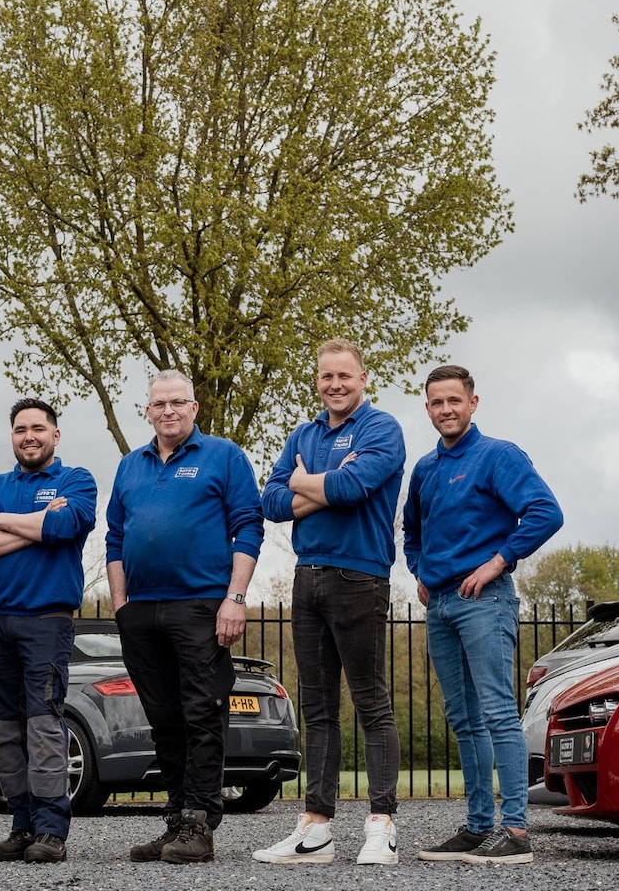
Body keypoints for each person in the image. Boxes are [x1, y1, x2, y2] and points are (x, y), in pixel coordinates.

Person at [403, 365, 562, 866]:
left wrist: (499, 561)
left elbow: (546, 512)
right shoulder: (425, 469)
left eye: (454, 400)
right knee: (464, 721)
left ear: (473, 403)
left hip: (485, 602)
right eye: (436, 402)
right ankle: (477, 828)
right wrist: (420, 571)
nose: (445, 409)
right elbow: (411, 532)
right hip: (441, 606)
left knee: (496, 713)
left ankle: (515, 831)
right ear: (427, 408)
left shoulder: (499, 455)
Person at [255, 338, 405, 866]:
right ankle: (315, 829)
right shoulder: (304, 434)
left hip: (359, 577)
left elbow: (355, 487)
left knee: (371, 704)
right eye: (326, 376)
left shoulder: (382, 428)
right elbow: (271, 501)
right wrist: (317, 486)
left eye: (345, 375)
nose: (335, 384)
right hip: (307, 576)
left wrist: (303, 482)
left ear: (363, 378)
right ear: (317, 381)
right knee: (317, 708)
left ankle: (382, 825)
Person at [106, 370, 264, 865]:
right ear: (147, 411)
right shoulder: (130, 466)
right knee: (164, 719)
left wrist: (235, 598)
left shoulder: (224, 456)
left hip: (201, 606)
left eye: (178, 402)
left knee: (201, 713)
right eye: (159, 404)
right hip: (141, 611)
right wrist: (120, 604)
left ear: (194, 408)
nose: (168, 410)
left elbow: (248, 526)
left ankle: (199, 822)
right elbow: (114, 537)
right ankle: (176, 819)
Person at [0, 398, 97, 864]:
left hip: (46, 622)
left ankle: (51, 829)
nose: (29, 436)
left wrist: (3, 523)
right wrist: (36, 527)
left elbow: (66, 525)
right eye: (20, 429)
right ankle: (21, 825)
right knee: (5, 730)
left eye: (38, 428)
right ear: (12, 436)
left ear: (55, 435)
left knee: (43, 727)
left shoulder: (76, 480)